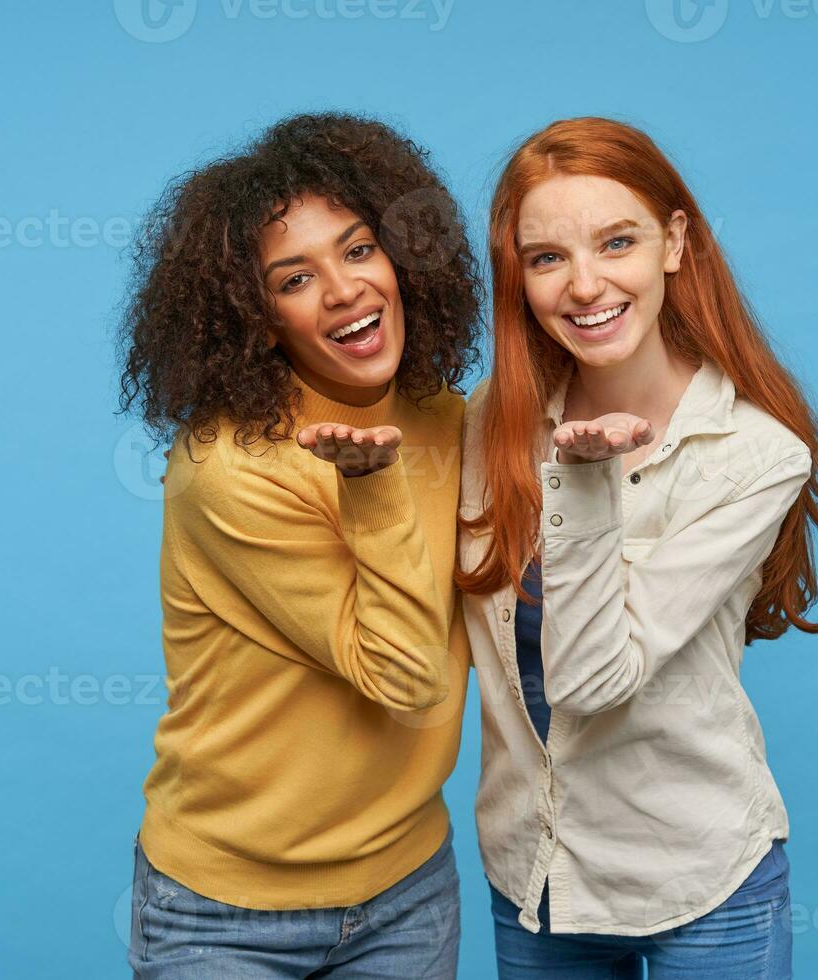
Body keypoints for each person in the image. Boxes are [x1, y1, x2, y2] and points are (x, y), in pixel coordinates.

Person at [456, 117, 818, 979]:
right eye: (547, 257)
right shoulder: (488, 423)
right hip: (536, 877)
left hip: (701, 881)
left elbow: (593, 682)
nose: (585, 284)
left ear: (673, 241)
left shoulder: (755, 456)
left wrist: (585, 481)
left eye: (617, 241)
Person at [119, 112, 481, 979]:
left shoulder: (442, 413)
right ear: (256, 318)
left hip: (408, 891)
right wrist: (370, 485)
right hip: (223, 915)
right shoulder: (231, 468)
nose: (345, 290)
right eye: (295, 277)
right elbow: (403, 676)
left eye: (359, 251)